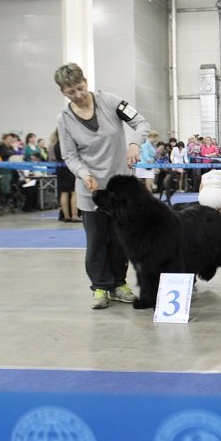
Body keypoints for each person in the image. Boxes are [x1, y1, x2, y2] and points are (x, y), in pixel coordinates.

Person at [54, 62, 151, 310]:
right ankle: (100, 286)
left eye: (80, 87)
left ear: (86, 81)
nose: (77, 95)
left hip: (120, 192)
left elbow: (141, 123)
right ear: (62, 92)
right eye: (70, 92)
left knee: (120, 240)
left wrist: (135, 144)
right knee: (96, 241)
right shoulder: (64, 119)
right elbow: (69, 156)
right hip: (91, 191)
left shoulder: (110, 101)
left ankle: (119, 284)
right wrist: (84, 174)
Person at [49, 129, 81, 223]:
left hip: (60, 169)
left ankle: (66, 216)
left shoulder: (55, 144)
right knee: (74, 192)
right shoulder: (67, 143)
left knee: (64, 193)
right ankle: (74, 215)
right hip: (69, 168)